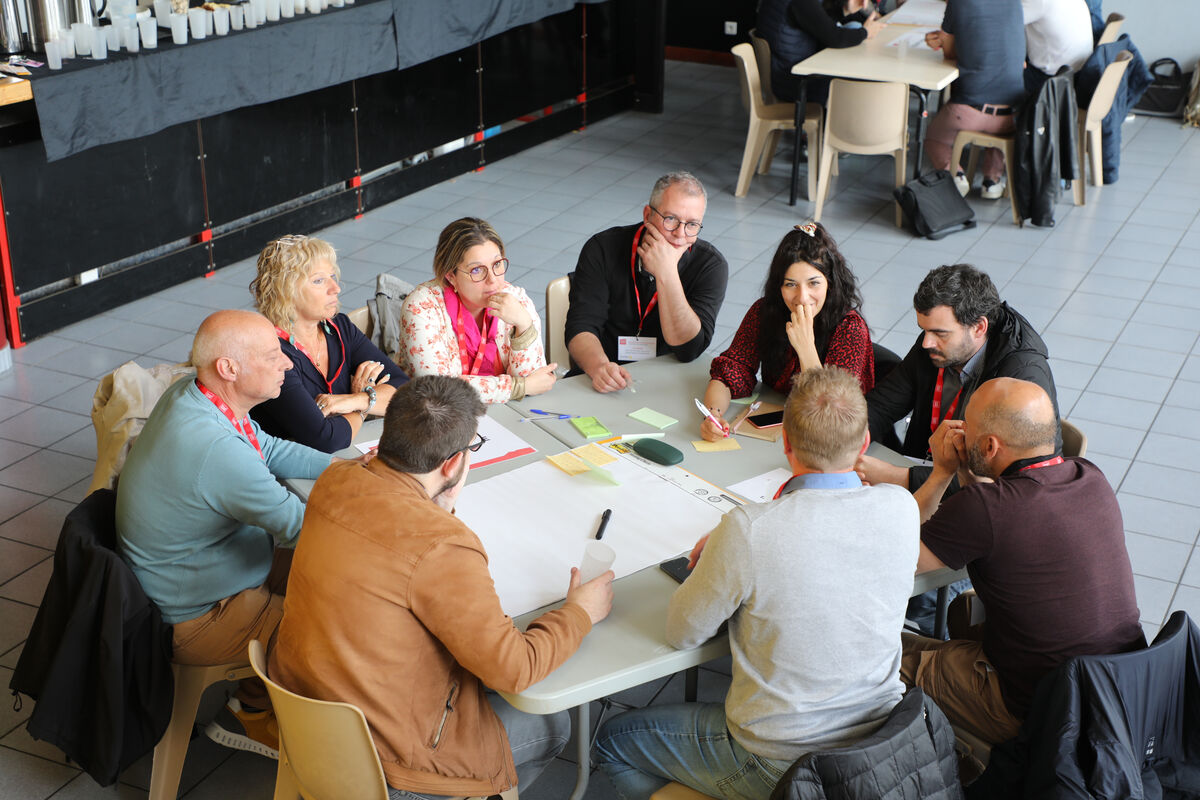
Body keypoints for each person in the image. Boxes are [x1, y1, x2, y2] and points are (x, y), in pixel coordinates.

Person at [269, 375, 614, 800]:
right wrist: (580, 612)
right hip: (389, 766)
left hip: (310, 718)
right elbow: (515, 669)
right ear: (452, 463)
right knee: (552, 724)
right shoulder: (443, 546)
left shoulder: (336, 479)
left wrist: (440, 508)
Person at [594, 367, 919, 799]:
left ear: (784, 442)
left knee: (613, 742)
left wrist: (732, 548)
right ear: (863, 445)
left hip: (783, 757)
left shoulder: (748, 530)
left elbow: (680, 633)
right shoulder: (901, 507)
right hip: (879, 743)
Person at [116, 309, 333, 757]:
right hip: (202, 615)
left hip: (205, 573)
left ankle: (252, 700)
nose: (288, 364)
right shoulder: (214, 449)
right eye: (274, 356)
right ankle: (260, 719)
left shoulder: (192, 394)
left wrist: (347, 468)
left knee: (332, 581)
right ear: (228, 368)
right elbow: (304, 529)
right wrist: (388, 504)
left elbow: (267, 447)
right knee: (337, 628)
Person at [903, 378, 1143, 745]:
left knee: (885, 655)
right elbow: (998, 517)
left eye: (967, 425)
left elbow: (902, 559)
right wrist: (970, 473)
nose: (960, 432)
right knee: (961, 616)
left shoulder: (986, 509)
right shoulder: (1090, 476)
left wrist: (941, 472)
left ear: (988, 445)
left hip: (1035, 713)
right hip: (1117, 694)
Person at [859, 263, 1058, 494]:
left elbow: (1008, 482)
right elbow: (880, 407)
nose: (926, 342)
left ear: (979, 327)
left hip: (976, 502)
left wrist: (899, 477)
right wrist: (846, 444)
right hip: (926, 473)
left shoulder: (1022, 377)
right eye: (924, 330)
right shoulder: (934, 348)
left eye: (939, 333)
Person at [700, 222, 874, 441]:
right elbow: (732, 369)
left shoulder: (850, 329)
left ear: (830, 282)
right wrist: (713, 415)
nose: (802, 297)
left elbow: (835, 415)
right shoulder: (765, 311)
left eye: (813, 283)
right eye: (791, 284)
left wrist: (806, 347)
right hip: (779, 430)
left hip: (827, 441)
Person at [565, 172, 728, 393]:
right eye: (670, 219)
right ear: (647, 214)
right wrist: (600, 367)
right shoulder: (602, 248)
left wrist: (667, 273)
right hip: (603, 372)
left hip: (669, 382)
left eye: (692, 224)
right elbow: (581, 327)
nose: (679, 234)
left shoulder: (711, 265)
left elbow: (689, 350)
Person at [249, 234, 409, 453]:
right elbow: (325, 439)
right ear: (285, 292)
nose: (336, 288)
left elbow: (405, 388)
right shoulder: (271, 354)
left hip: (347, 453)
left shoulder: (339, 328)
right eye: (318, 280)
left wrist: (357, 399)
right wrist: (361, 409)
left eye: (333, 276)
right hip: (290, 472)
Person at [397, 217, 558, 403]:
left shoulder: (516, 300)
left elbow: (536, 383)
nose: (493, 280)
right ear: (451, 276)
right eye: (477, 270)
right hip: (435, 420)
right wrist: (518, 387)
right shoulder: (421, 307)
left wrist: (523, 325)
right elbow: (438, 389)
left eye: (497, 264)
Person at [924, 0, 1026, 199]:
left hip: (969, 110)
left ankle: (956, 175)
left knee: (933, 138)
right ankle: (992, 180)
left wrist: (941, 41)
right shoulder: (1015, 3)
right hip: (1013, 115)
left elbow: (950, 53)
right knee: (1000, 127)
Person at [756, 0, 887, 105]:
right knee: (858, 79)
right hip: (794, 82)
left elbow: (819, 25)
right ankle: (844, 134)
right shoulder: (800, 2)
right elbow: (834, 38)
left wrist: (845, 10)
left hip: (782, 73)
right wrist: (865, 32)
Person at [1021, 0, 1094, 92]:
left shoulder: (1038, 2)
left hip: (1053, 83)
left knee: (1002, 70)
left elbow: (1004, 23)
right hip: (1078, 73)